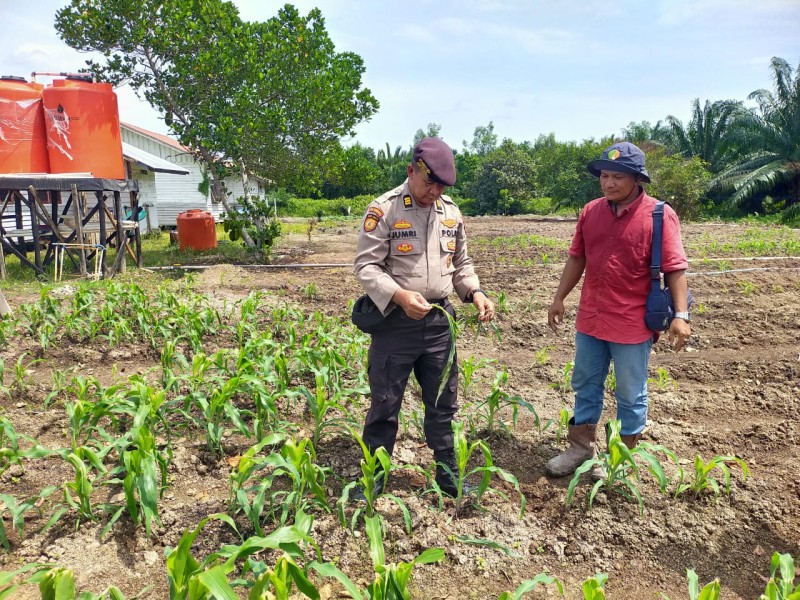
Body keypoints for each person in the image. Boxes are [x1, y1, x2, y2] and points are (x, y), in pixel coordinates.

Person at [353, 137, 495, 496]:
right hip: (395, 323)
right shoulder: (384, 210)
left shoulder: (451, 212)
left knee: (442, 400)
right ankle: (374, 478)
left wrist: (474, 292)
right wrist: (399, 296)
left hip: (438, 323)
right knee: (385, 402)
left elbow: (461, 264)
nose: (433, 191)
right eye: (428, 182)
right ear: (410, 171)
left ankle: (447, 474)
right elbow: (366, 267)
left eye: (441, 186)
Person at [545, 141, 691, 478]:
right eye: (604, 176)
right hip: (591, 319)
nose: (609, 183)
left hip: (632, 322)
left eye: (617, 177)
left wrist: (681, 316)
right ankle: (580, 449)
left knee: (629, 390)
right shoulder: (591, 212)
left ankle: (618, 459)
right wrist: (559, 297)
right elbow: (577, 257)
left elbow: (675, 268)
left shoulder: (659, 214)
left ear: (637, 179)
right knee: (585, 382)